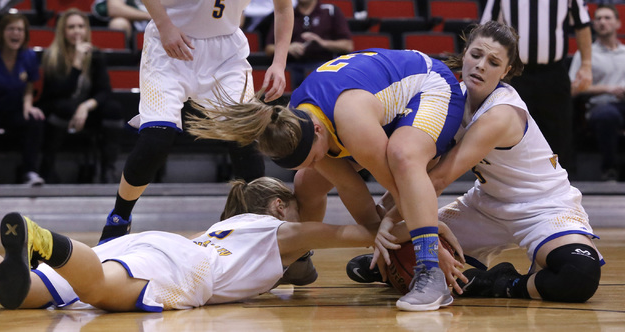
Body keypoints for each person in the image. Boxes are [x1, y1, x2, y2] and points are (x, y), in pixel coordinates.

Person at [185, 48, 466, 311]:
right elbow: (349, 187)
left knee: (403, 158)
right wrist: (378, 235)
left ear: (318, 130)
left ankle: (431, 274)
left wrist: (429, 245)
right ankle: (297, 258)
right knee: (308, 182)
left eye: (314, 156)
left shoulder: (351, 120)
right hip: (377, 106)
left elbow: (400, 189)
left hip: (430, 86)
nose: (316, 163)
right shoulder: (291, 118)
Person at [349, 21, 604, 303]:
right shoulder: (446, 97)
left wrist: (390, 223)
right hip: (484, 204)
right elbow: (421, 165)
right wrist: (388, 221)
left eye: (494, 62)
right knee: (396, 257)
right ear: (465, 53)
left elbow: (438, 179)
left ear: (506, 71)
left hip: (542, 206)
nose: (481, 65)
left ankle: (495, 282)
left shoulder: (501, 112)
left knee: (579, 275)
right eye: (476, 55)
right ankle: (412, 265)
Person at [0, 176, 426, 311]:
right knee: (99, 290)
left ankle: (43, 247)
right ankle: (46, 240)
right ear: (279, 206)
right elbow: (361, 234)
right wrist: (426, 231)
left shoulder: (231, 228)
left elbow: (300, 277)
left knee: (27, 292)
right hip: (187, 268)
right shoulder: (282, 232)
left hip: (157, 246)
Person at [98, 0, 294, 244]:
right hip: (169, 42)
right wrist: (164, 25)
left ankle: (257, 227)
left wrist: (279, 63)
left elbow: (284, 8)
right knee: (156, 139)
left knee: (244, 138)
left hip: (226, 52)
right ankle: (119, 218)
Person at [480, 0, 593, 178]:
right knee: (513, 131)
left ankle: (561, 186)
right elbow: (487, 29)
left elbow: (582, 25)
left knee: (559, 133)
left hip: (554, 72)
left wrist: (586, 64)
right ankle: (513, 183)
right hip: (515, 74)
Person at [37, 9, 124, 184]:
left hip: (83, 111)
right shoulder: (52, 56)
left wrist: (85, 107)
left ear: (86, 30)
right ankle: (47, 167)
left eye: (80, 26)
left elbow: (104, 91)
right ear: (63, 31)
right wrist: (77, 63)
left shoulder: (95, 55)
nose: (77, 31)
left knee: (113, 109)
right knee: (65, 107)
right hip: (57, 108)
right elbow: (60, 92)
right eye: (71, 27)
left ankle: (108, 169)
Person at [0, 12, 45, 186]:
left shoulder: (29, 57)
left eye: (20, 29)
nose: (16, 33)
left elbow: (29, 86)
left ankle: (29, 172)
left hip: (15, 108)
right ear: (2, 32)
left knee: (35, 118)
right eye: (11, 28)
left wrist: (28, 104)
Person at [569, 5, 625, 182]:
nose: (602, 22)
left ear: (618, 23)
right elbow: (572, 88)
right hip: (600, 105)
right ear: (593, 24)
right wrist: (607, 88)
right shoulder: (585, 54)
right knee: (606, 116)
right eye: (598, 18)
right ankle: (609, 169)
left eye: (607, 18)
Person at [265, 0, 353, 89]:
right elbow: (269, 48)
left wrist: (321, 42)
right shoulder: (285, 11)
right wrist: (288, 48)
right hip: (292, 66)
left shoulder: (330, 11)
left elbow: (347, 45)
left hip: (322, 65)